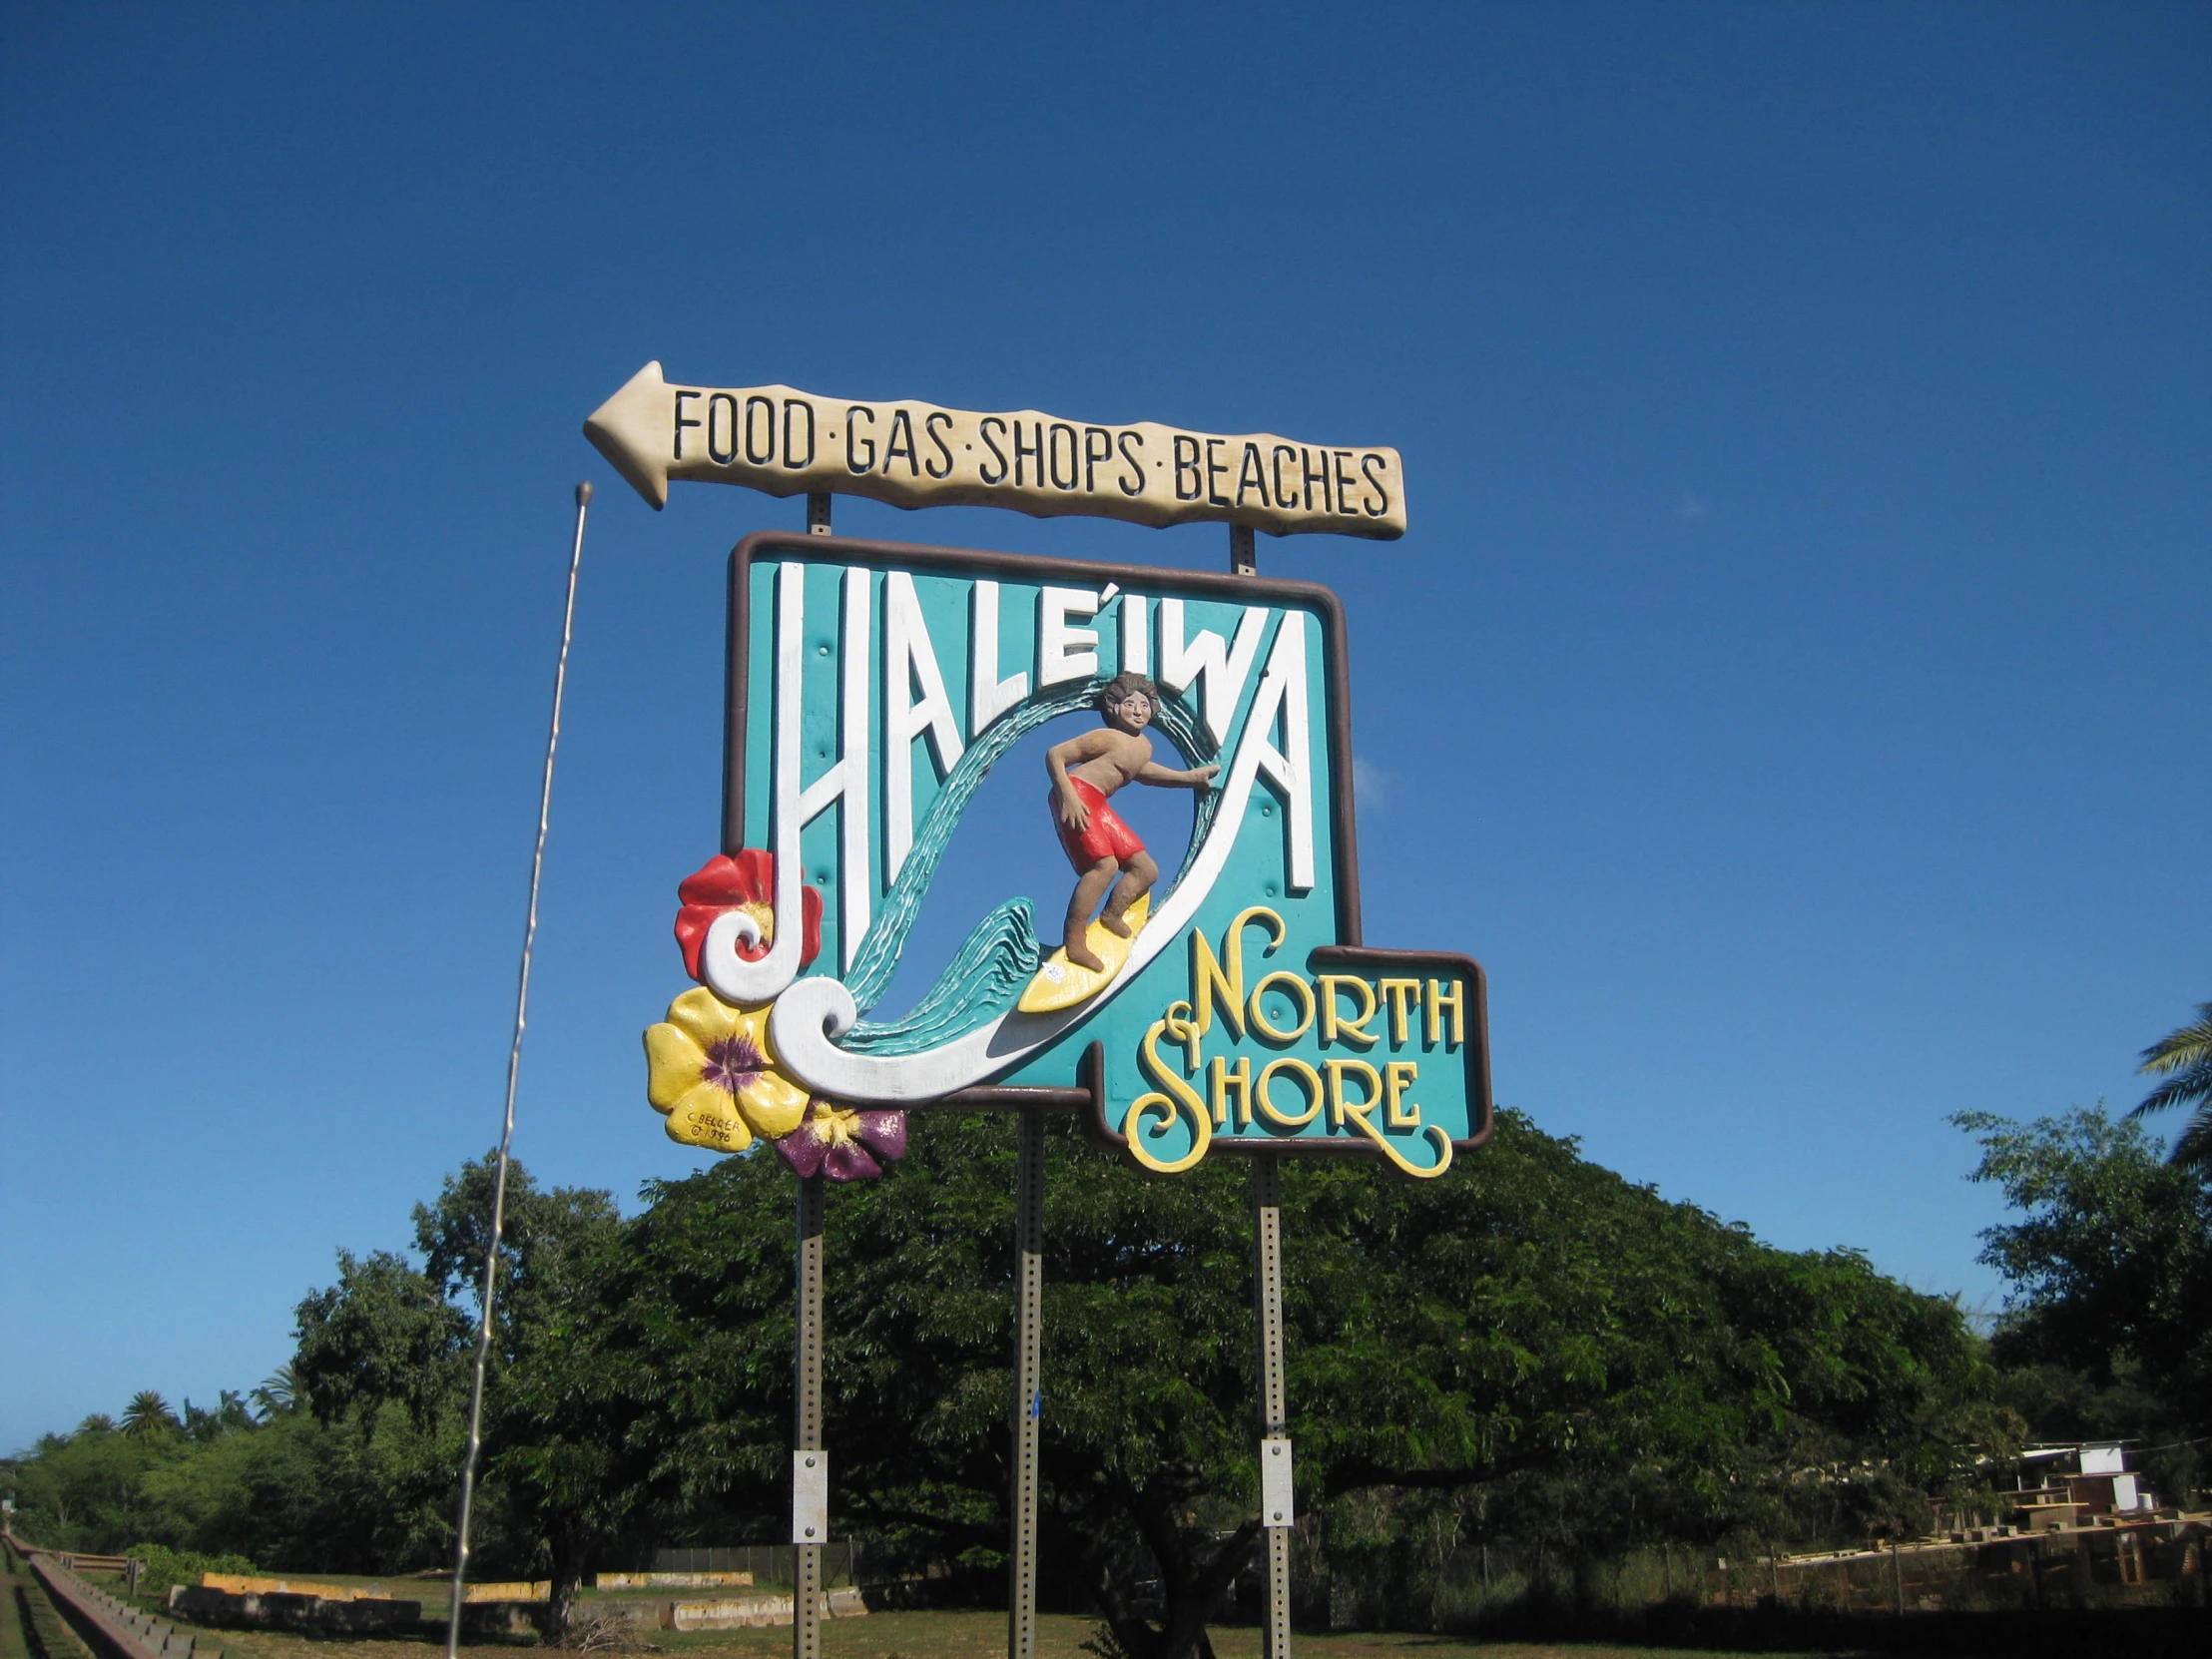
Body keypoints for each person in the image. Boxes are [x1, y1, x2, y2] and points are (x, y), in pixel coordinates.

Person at [1045, 671, 1219, 971]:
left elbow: (1144, 772)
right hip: (1077, 794)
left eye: (1144, 705)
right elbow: (1056, 754)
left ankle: (1112, 915)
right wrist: (1068, 796)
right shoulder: (1106, 737)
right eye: (1130, 704)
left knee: (1145, 869)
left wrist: (1188, 778)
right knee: (1105, 865)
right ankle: (1074, 942)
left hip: (1098, 803)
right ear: (1113, 708)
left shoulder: (1143, 746)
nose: (1138, 711)